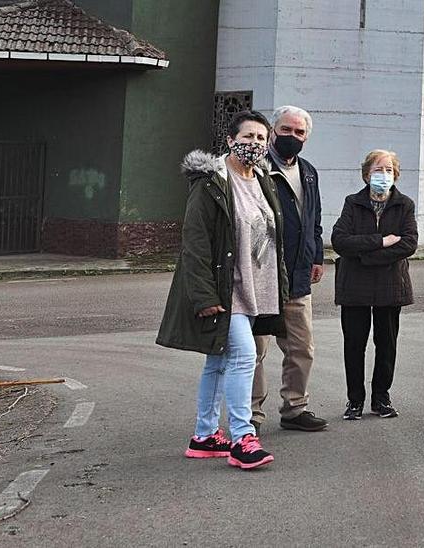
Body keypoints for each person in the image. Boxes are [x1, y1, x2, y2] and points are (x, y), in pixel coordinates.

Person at [157, 110, 287, 470]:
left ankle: (204, 435)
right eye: (247, 137)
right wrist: (204, 296)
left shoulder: (263, 180)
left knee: (218, 360)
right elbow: (194, 243)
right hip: (225, 289)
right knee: (244, 357)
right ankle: (243, 437)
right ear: (230, 140)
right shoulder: (212, 182)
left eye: (261, 138)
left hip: (255, 288)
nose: (254, 144)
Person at [251, 105, 327, 434]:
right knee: (255, 350)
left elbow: (315, 220)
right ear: (272, 131)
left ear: (307, 138)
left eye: (299, 132)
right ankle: (250, 414)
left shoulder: (309, 171)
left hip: (297, 276)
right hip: (261, 275)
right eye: (286, 130)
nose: (292, 137)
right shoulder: (255, 168)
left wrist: (317, 257)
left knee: (301, 347)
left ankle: (295, 408)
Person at [331, 149, 418, 420]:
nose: (384, 175)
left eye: (389, 170)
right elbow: (340, 240)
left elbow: (408, 243)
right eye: (378, 170)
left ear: (396, 175)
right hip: (355, 286)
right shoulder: (352, 202)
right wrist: (380, 241)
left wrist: (365, 255)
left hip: (390, 285)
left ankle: (381, 398)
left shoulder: (404, 205)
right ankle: (354, 400)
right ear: (367, 174)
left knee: (387, 343)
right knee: (354, 344)